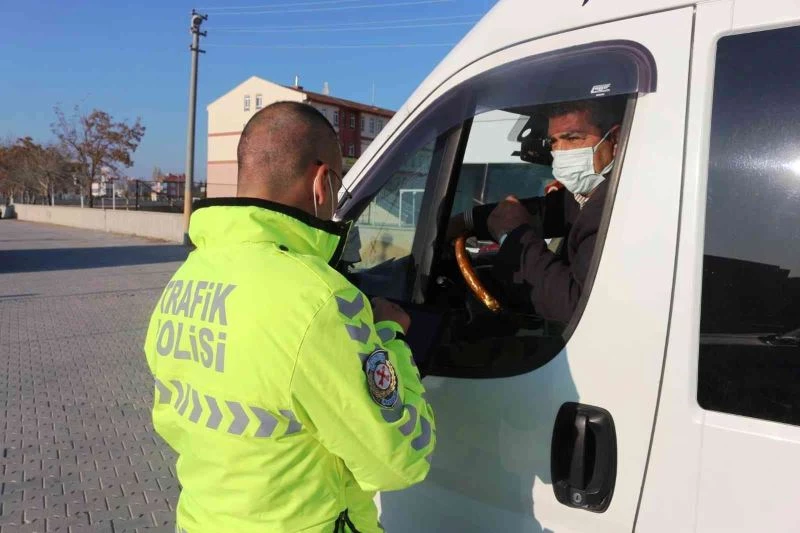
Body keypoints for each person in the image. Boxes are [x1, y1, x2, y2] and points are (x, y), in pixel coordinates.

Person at [144, 101, 435, 533]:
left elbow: (173, 418)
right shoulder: (320, 298)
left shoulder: (189, 276)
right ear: (322, 182)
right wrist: (392, 336)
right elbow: (401, 460)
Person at [447, 96, 625, 323]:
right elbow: (544, 210)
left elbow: (574, 306)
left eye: (572, 138)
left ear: (615, 139)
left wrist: (514, 236)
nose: (560, 152)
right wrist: (466, 220)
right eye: (553, 142)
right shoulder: (585, 195)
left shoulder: (615, 205)